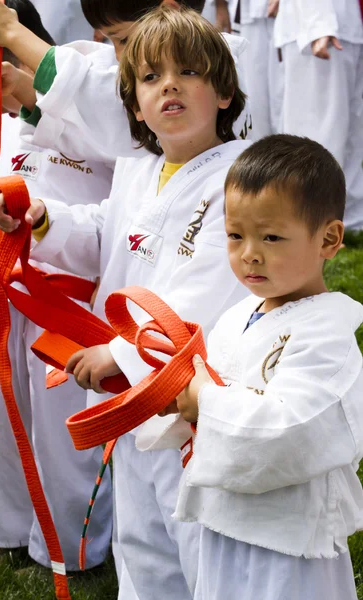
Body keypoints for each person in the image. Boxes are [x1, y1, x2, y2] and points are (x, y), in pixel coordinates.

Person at [0, 7, 250, 598]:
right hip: (128, 396)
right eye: (152, 79)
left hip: (187, 398)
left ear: (226, 93)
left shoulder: (239, 179)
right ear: (133, 105)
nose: (171, 86)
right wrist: (44, 221)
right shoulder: (137, 168)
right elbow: (106, 237)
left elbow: (207, 285)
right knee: (140, 540)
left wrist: (126, 352)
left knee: (192, 536)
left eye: (189, 72)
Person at [151, 134, 363, 600]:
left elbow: (292, 431)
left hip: (289, 545)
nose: (249, 252)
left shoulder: (329, 335)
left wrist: (203, 401)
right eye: (234, 235)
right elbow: (207, 393)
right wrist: (170, 401)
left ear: (328, 239)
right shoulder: (234, 319)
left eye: (271, 236)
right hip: (224, 524)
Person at [0, 0, 114, 573]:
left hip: (68, 294)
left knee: (61, 430)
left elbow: (107, 139)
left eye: (0, 59)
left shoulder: (90, 78)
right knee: (7, 416)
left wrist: (29, 89)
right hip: (7, 287)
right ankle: (11, 534)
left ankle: (75, 554)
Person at [0, 0, 251, 160]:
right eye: (110, 40)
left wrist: (12, 33)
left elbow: (96, 96)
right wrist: (20, 87)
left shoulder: (214, 66)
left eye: (124, 38)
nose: (118, 54)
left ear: (169, 11)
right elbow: (87, 129)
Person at [274, 0, 363, 231]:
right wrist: (320, 25)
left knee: (350, 131)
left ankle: (348, 220)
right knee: (320, 129)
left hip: (346, 25)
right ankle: (314, 221)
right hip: (317, 26)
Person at [238, 0, 283, 140]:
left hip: (292, 16)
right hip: (252, 14)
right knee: (254, 98)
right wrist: (220, 5)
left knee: (284, 99)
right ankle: (261, 158)